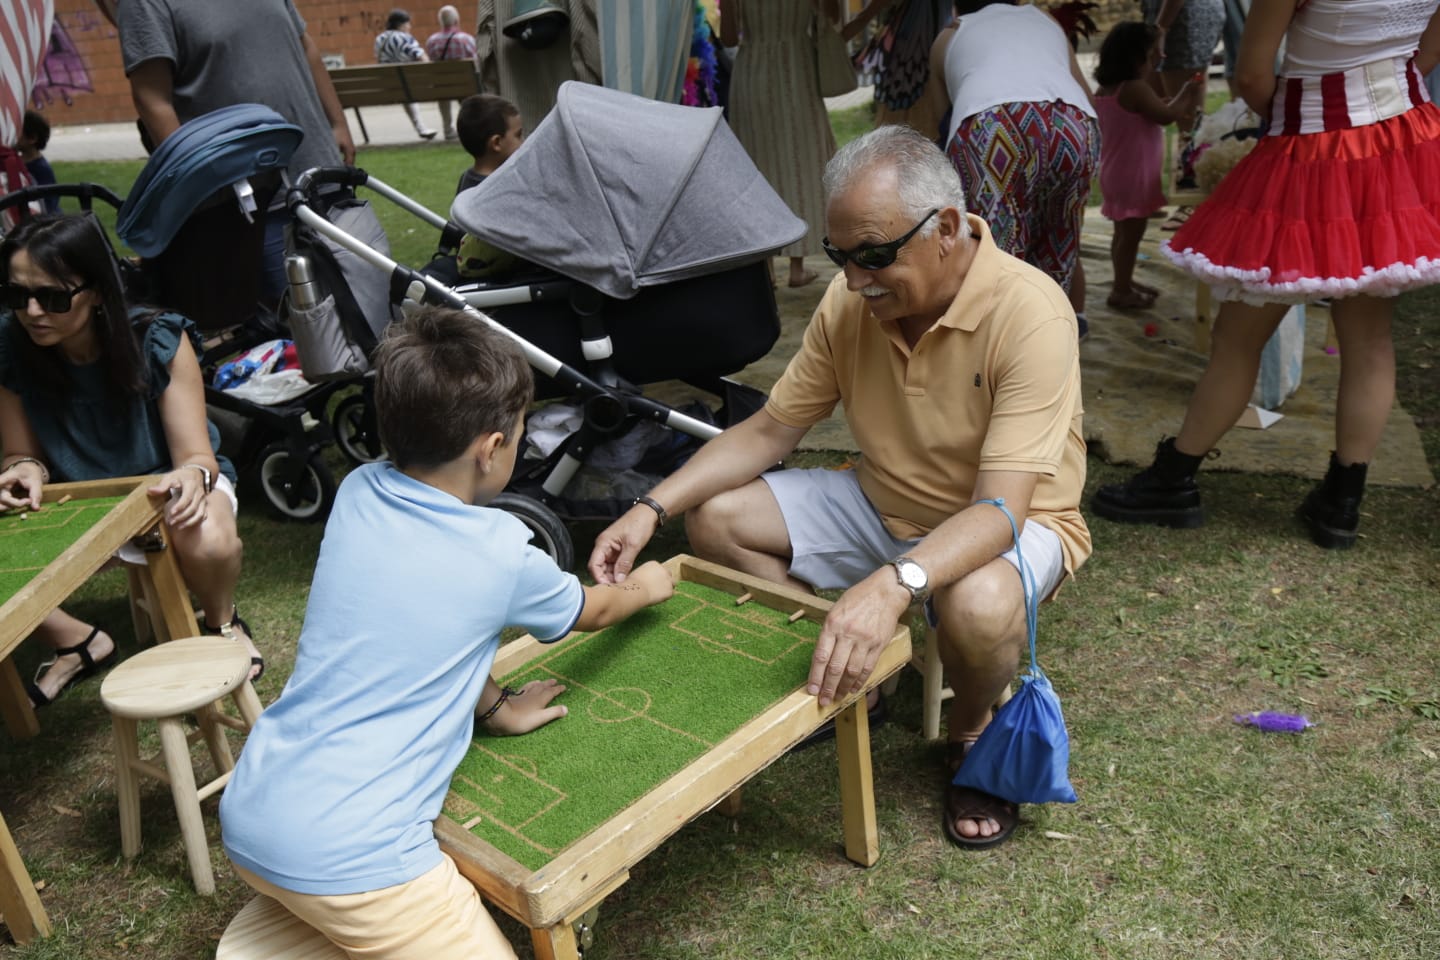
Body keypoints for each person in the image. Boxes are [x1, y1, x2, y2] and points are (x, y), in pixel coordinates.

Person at [589, 125, 1090, 849]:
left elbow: (999, 510)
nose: (855, 280)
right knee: (716, 519)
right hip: (883, 499)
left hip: (1016, 520)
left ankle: (973, 730)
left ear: (947, 229)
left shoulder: (1030, 311)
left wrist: (892, 585)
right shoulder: (850, 301)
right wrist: (651, 506)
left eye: (875, 255)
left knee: (976, 603)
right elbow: (769, 431)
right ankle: (866, 678)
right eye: (840, 255)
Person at [220, 306, 673, 958]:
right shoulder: (501, 552)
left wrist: (495, 707)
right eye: (520, 436)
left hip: (252, 812)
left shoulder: (359, 492)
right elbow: (596, 610)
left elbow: (425, 633)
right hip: (357, 861)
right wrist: (648, 584)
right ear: (491, 449)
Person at [1093, 0, 1440, 549]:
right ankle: (1341, 505)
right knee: (1370, 339)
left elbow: (1253, 76)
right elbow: (1426, 52)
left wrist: (1310, 112)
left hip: (1311, 146)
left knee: (1238, 338)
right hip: (1401, 138)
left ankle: (1173, 479)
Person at [0, 215, 263, 704]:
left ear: (98, 291)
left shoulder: (157, 337)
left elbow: (195, 457)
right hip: (81, 499)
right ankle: (77, 641)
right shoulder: (9, 343)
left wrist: (191, 476)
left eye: (52, 297)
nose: (31, 312)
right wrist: (23, 470)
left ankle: (221, 623)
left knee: (207, 538)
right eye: (16, 295)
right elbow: (21, 454)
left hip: (165, 483)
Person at [105, 0, 357, 321]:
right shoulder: (145, 4)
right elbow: (151, 97)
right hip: (252, 206)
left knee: (365, 304)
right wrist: (201, 184)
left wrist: (338, 123)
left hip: (324, 175)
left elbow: (305, 46)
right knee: (298, 326)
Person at [926, 1, 1099, 333]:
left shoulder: (949, 35)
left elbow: (942, 124)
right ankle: (1053, 332)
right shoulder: (1045, 20)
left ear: (956, 6)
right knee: (1059, 240)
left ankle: (1000, 340)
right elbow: (1088, 98)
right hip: (1073, 123)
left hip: (993, 126)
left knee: (995, 253)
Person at [721, 0, 838, 288]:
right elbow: (832, 17)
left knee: (758, 163)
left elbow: (728, 38)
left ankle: (767, 267)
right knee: (800, 162)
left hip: (752, 74)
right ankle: (797, 266)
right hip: (797, 70)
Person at [1093, 22, 1204, 310]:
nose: (1160, 57)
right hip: (1134, 175)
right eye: (1154, 52)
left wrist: (1164, 101)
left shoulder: (1108, 88)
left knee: (1122, 235)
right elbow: (1166, 116)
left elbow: (1147, 111)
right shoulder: (1135, 89)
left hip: (1115, 173)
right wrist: (1187, 91)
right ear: (1136, 57)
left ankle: (1124, 281)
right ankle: (1120, 291)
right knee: (1131, 237)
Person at [453, 94, 524, 281]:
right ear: (496, 143)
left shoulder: (467, 178)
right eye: (518, 135)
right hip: (499, 273)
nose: (523, 142)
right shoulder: (498, 188)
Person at [376, 8, 440, 140]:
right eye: (408, 24)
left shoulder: (379, 39)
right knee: (407, 87)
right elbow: (421, 56)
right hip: (410, 84)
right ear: (401, 24)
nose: (409, 27)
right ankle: (423, 127)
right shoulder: (404, 38)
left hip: (388, 85)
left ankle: (420, 127)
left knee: (404, 88)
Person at [425, 5, 478, 141]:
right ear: (456, 20)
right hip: (465, 86)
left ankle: (448, 129)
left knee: (443, 90)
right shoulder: (465, 39)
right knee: (465, 92)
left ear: (440, 21)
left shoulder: (432, 41)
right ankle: (472, 128)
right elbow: (476, 61)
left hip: (442, 86)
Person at [17, 111, 59, 214]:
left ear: (32, 138)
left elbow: (49, 202)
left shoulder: (41, 169)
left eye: (17, 132)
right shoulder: (16, 162)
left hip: (42, 219)